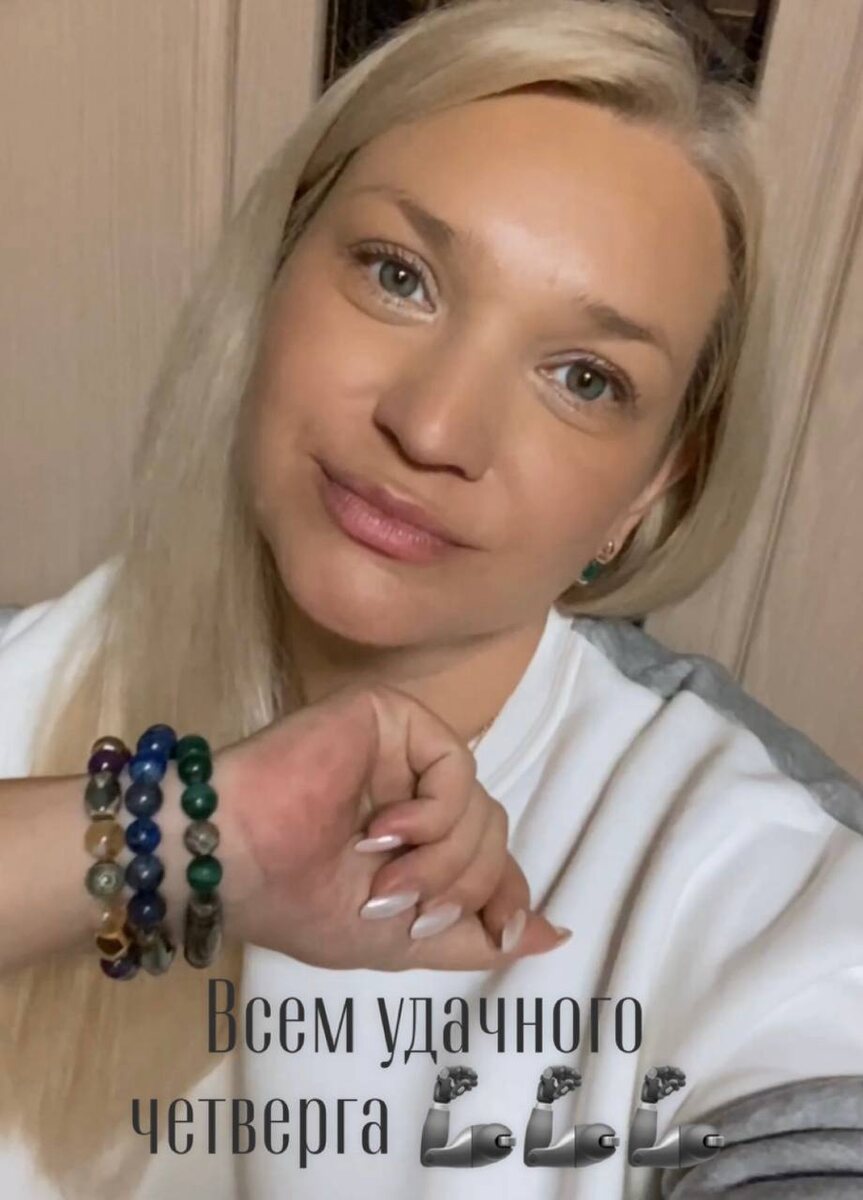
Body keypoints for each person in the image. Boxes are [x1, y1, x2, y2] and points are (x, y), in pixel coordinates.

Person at [2, 0, 863, 1197]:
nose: (433, 426)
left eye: (583, 378)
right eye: (398, 276)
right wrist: (178, 832)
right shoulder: (30, 672)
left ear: (647, 489)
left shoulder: (758, 878)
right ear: (273, 278)